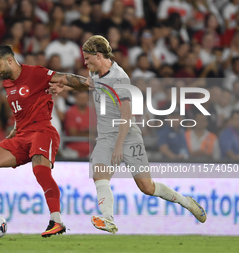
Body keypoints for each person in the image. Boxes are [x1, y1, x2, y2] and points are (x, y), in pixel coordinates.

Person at [50, 35, 207, 234]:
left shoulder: (119, 77)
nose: (85, 62)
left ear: (98, 55)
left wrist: (119, 146)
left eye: (87, 58)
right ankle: (108, 220)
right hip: (106, 136)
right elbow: (88, 84)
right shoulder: (98, 74)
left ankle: (187, 202)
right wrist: (64, 85)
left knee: (147, 187)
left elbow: (126, 114)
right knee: (99, 174)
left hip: (128, 135)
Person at [0, 44, 89, 237]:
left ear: (9, 60)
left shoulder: (35, 73)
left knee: (40, 171)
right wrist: (15, 128)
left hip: (42, 130)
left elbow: (66, 78)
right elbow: (23, 108)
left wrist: (90, 83)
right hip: (21, 135)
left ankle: (57, 221)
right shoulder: (7, 83)